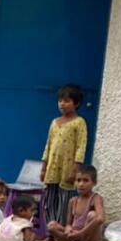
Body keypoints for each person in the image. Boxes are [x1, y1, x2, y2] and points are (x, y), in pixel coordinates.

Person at [39, 85, 88, 230]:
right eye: (60, 100)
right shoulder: (54, 122)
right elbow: (48, 145)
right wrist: (43, 167)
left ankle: (60, 231)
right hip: (52, 167)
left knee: (64, 200)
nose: (62, 104)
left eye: (66, 101)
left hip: (68, 168)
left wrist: (76, 169)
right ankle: (50, 231)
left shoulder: (79, 122)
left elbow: (81, 146)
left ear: (76, 103)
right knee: (49, 200)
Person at [47, 163, 105, 241]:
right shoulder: (73, 201)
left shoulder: (95, 198)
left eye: (86, 181)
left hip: (89, 240)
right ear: (74, 182)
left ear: (94, 183)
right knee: (51, 225)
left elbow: (100, 218)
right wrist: (68, 229)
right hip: (74, 237)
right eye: (78, 180)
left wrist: (81, 233)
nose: (81, 184)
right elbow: (68, 223)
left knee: (93, 215)